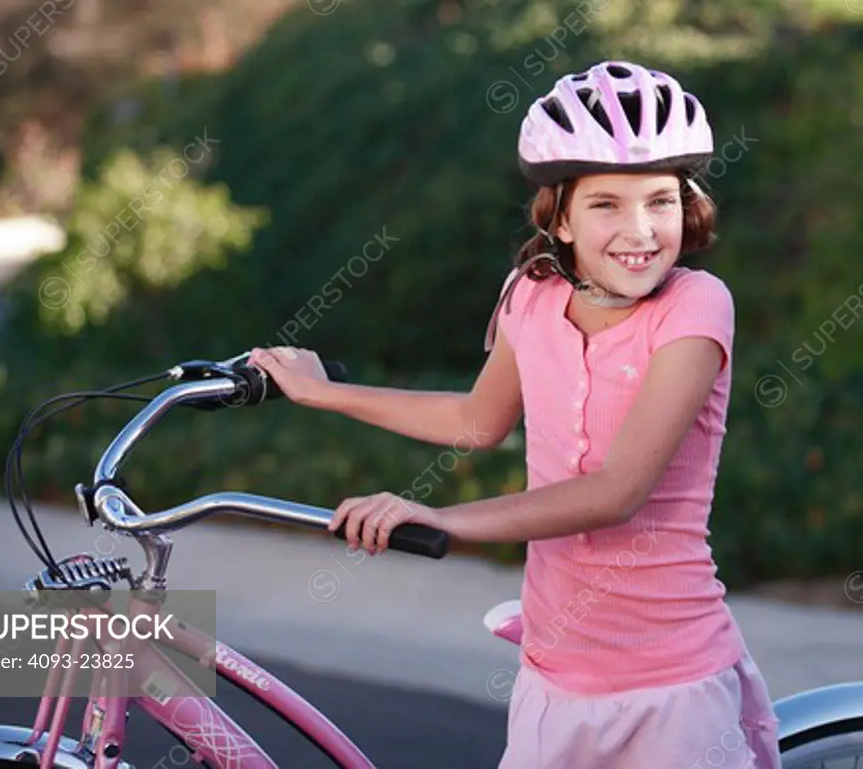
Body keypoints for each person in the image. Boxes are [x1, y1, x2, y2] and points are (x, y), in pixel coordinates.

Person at [247, 60, 783, 769]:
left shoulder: (696, 305)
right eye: (606, 205)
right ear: (558, 216)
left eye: (660, 201)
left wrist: (443, 518)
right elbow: (477, 420)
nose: (641, 229)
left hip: (672, 685)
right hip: (552, 677)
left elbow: (616, 492)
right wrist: (322, 392)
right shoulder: (528, 295)